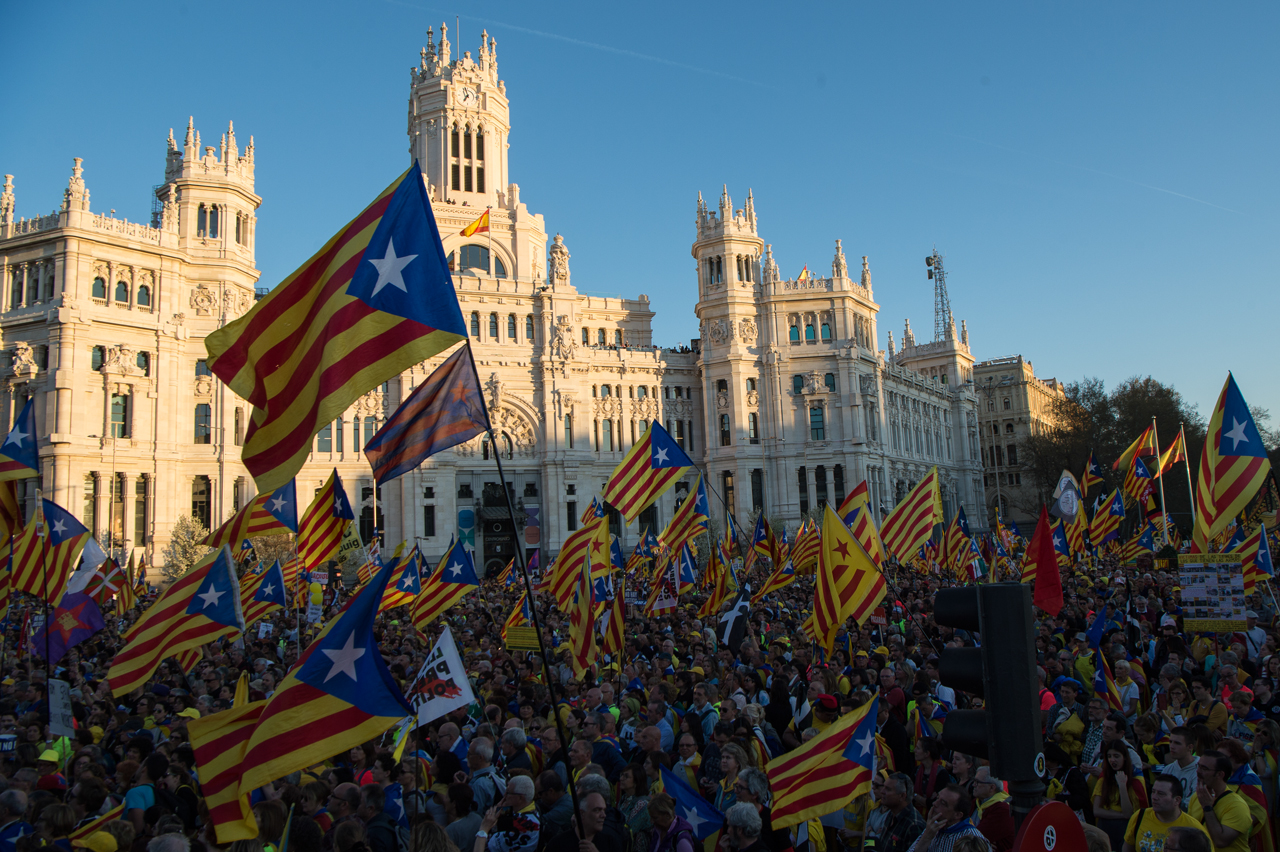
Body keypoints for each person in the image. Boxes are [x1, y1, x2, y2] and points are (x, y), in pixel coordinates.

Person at [1185, 751, 1252, 852]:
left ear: (1220, 774)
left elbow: (1220, 841)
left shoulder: (1237, 805)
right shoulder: (1196, 797)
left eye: (1204, 768)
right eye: (1198, 766)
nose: (1198, 772)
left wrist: (1207, 808)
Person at [1121, 774, 1205, 852]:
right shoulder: (1140, 816)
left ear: (1177, 800)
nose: (1154, 797)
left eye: (1161, 794)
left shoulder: (1193, 828)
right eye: (1153, 792)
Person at [904, 785, 988, 851]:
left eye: (943, 803)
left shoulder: (973, 838)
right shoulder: (933, 828)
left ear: (957, 815)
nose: (934, 804)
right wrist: (926, 837)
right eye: (937, 798)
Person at [473, 775, 538, 852]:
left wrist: (484, 828)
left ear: (520, 798)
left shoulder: (521, 824)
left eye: (508, 793)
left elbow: (486, 847)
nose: (504, 796)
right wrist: (500, 810)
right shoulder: (533, 808)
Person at [876, 773, 926, 852]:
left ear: (902, 796)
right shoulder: (892, 812)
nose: (882, 791)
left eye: (888, 789)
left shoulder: (914, 826)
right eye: (883, 787)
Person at [971, 768, 1013, 852]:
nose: (973, 785)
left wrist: (982, 843)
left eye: (977, 782)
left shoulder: (1002, 809)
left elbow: (973, 838)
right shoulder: (977, 801)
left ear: (991, 788)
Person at [1159, 727, 1201, 808]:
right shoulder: (1167, 770)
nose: (1172, 746)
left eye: (1177, 743)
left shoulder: (1200, 770)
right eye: (1170, 742)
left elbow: (1194, 802)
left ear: (1190, 747)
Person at [358, 784, 400, 852]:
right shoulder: (388, 821)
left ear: (370, 809)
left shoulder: (373, 835)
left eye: (359, 802)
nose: (355, 804)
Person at [534, 772, 573, 839]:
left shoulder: (565, 809)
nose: (539, 797)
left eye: (540, 794)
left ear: (551, 791)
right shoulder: (563, 802)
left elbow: (538, 823)